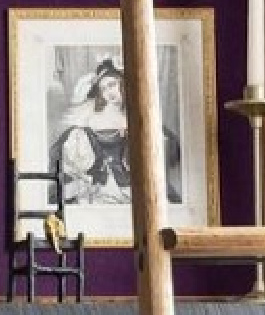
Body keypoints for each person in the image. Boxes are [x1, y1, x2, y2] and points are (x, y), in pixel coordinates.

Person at [49, 57, 180, 207]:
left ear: (123, 84)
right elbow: (64, 152)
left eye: (112, 85)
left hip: (131, 186)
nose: (108, 92)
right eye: (103, 89)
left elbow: (172, 152)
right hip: (98, 188)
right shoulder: (92, 118)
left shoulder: (141, 115)